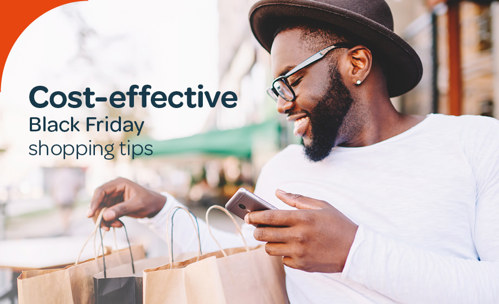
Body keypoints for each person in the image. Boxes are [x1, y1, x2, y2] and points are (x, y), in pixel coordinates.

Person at [88, 0, 499, 302]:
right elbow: (244, 262)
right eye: (275, 88)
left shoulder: (475, 144)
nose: (282, 103)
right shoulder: (284, 170)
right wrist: (159, 209)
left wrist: (352, 251)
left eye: (291, 80)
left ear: (356, 64)